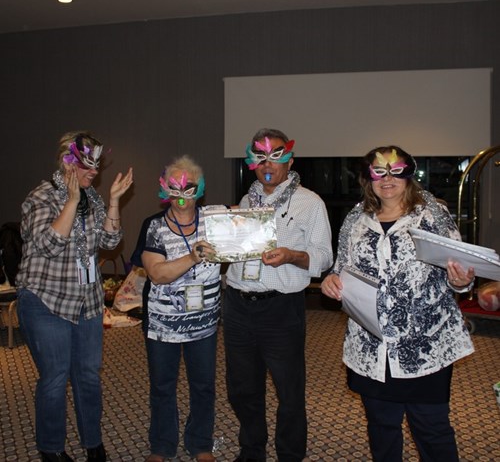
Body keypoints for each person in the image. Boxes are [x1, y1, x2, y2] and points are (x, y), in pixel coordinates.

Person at [321, 145, 475, 462]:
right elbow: (342, 268)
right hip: (371, 345)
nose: (387, 179)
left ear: (409, 175)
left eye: (396, 171)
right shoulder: (356, 219)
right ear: (368, 178)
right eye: (379, 172)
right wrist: (331, 280)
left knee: (431, 429)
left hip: (424, 345)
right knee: (381, 426)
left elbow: (459, 271)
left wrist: (461, 281)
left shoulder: (432, 215)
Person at [16, 132, 133, 462]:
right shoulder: (41, 196)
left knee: (88, 376)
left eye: (97, 164)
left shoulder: (92, 198)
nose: (94, 171)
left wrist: (113, 201)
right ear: (67, 162)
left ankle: (92, 442)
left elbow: (110, 242)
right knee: (55, 377)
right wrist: (70, 200)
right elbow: (49, 245)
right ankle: (51, 448)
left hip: (87, 302)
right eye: (87, 164)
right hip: (46, 300)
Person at [224, 129, 333, 462]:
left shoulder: (310, 202)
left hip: (281, 308)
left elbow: (324, 256)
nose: (267, 164)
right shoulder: (247, 202)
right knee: (242, 388)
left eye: (276, 156)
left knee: (289, 390)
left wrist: (291, 255)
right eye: (260, 158)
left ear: (290, 161)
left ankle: (290, 454)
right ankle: (252, 450)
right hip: (238, 305)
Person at [139, 156, 221, 462]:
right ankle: (162, 445)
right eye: (174, 187)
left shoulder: (215, 220)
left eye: (189, 187)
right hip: (164, 323)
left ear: (201, 188)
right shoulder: (154, 226)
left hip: (204, 321)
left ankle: (200, 443)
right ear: (164, 189)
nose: (182, 194)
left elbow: (248, 231)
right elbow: (157, 273)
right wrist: (192, 257)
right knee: (162, 386)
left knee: (203, 385)